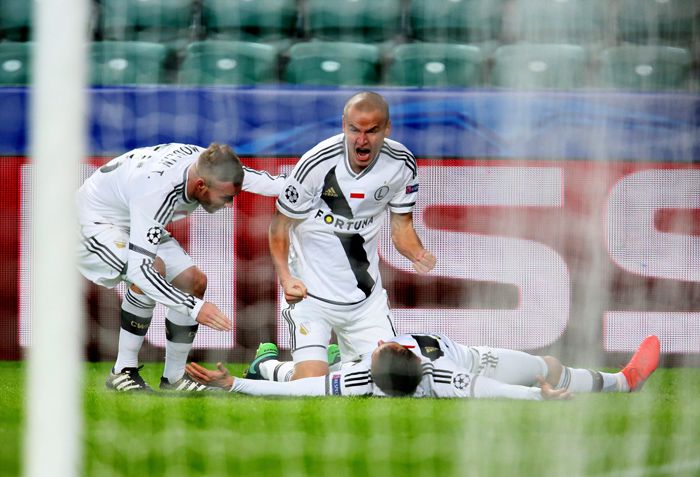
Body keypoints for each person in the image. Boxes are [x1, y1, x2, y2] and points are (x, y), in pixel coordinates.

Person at [77, 142, 285, 392]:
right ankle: (123, 371)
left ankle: (174, 379)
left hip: (132, 217)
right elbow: (139, 271)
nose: (229, 205)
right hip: (93, 222)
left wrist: (307, 188)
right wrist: (195, 307)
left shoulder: (210, 165)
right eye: (226, 197)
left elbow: (264, 181)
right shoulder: (157, 192)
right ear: (200, 186)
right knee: (152, 268)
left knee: (193, 280)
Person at [262, 91, 437, 382]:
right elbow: (279, 226)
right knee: (310, 385)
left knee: (389, 380)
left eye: (371, 131)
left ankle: (338, 366)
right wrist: (285, 277)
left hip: (365, 301)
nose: (362, 140)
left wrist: (417, 252)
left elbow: (402, 228)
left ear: (387, 128)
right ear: (344, 125)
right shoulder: (317, 163)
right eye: (355, 129)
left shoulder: (401, 163)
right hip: (310, 295)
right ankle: (266, 366)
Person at [185, 334, 661, 400]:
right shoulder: (441, 376)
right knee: (550, 366)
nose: (385, 340)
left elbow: (298, 396)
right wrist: (538, 394)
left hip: (474, 358)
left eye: (380, 347)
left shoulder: (356, 377)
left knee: (304, 376)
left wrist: (236, 384)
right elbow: (483, 390)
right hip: (474, 360)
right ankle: (623, 381)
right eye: (387, 345)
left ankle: (266, 361)